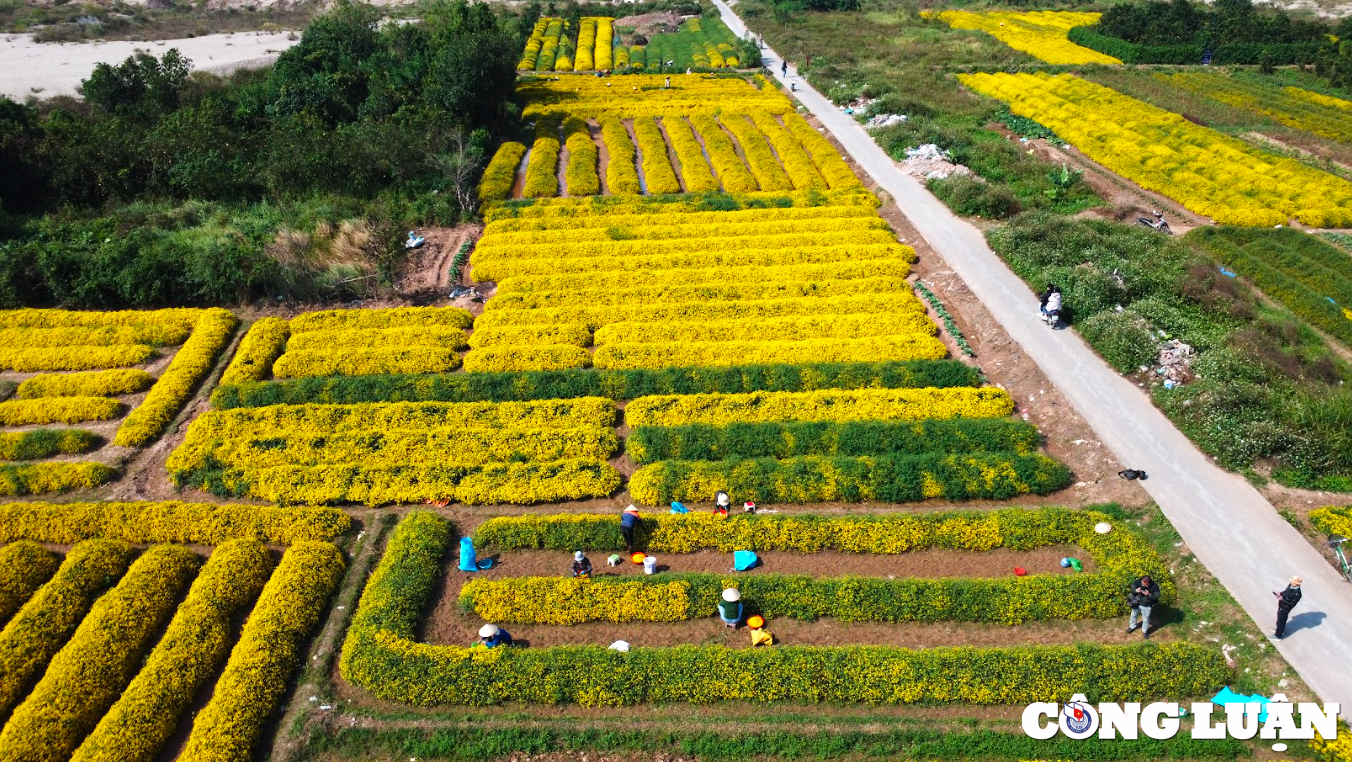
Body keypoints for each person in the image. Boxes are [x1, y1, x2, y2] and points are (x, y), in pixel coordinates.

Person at [1126, 574, 1160, 638]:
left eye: (1145, 584)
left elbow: (1156, 596)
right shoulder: (1138, 581)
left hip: (1146, 604)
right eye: (1142, 583)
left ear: (1149, 582)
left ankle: (1145, 631)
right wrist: (1135, 590)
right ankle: (1132, 626)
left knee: (1146, 618)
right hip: (1136, 602)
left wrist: (1148, 594)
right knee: (1133, 615)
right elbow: (1132, 588)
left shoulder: (1154, 586)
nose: (1143, 585)